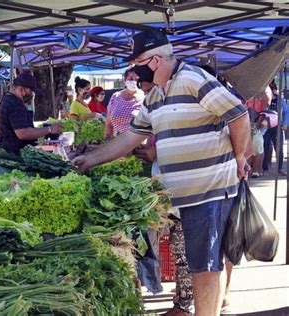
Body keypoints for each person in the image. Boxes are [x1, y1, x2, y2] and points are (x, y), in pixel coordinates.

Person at [73, 29, 251, 316]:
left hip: (210, 191)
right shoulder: (155, 96)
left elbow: (238, 113)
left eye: (137, 62)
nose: (133, 69)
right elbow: (130, 138)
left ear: (154, 61)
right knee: (198, 265)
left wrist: (240, 156)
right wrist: (89, 160)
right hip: (183, 198)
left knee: (205, 267)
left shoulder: (194, 79)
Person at [0, 73, 61, 155]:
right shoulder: (14, 104)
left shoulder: (7, 99)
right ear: (21, 89)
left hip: (10, 150)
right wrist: (49, 129)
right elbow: (23, 133)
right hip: (15, 153)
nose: (31, 95)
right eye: (30, 91)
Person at [105, 67, 145, 139]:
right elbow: (108, 124)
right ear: (125, 79)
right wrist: (106, 141)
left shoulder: (144, 98)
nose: (134, 81)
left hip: (136, 144)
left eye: (137, 79)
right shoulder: (115, 97)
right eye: (131, 79)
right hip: (116, 142)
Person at [262, 80, 288, 176]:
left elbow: (286, 111)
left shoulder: (280, 100)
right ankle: (264, 168)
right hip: (265, 127)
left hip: (277, 127)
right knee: (264, 147)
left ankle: (279, 168)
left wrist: (285, 123)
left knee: (279, 148)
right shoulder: (262, 99)